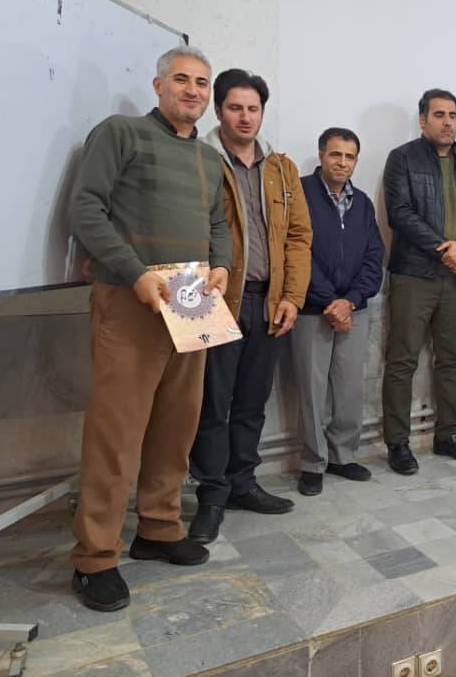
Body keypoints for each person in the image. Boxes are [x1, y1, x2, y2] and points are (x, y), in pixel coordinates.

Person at [67, 45, 230, 612]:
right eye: (181, 79)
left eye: (201, 83)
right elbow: (86, 209)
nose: (192, 90)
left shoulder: (209, 159)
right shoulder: (121, 133)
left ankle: (159, 528)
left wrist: (221, 266)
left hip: (192, 300)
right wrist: (135, 273)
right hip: (130, 299)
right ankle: (94, 558)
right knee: (115, 435)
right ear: (158, 86)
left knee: (176, 426)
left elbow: (218, 225)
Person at [187, 69, 312, 544]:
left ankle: (242, 482)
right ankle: (212, 495)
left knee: (251, 402)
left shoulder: (280, 167)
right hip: (214, 299)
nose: (245, 117)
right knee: (212, 404)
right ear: (218, 110)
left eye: (253, 108)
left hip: (267, 301)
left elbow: (299, 236)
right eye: (235, 107)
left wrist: (292, 296)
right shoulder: (199, 159)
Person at [380, 89, 456, 474]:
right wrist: (444, 248)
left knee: (452, 358)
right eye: (440, 114)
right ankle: (397, 442)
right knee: (402, 360)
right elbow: (400, 213)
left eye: (453, 115)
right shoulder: (402, 158)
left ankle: (448, 434)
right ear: (423, 120)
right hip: (415, 273)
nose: (448, 122)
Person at [291, 127, 383, 495]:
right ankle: (313, 463)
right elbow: (298, 251)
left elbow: (374, 256)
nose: (342, 163)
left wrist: (351, 300)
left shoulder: (363, 203)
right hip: (311, 309)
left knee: (348, 388)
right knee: (311, 391)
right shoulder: (300, 192)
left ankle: (343, 456)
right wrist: (330, 299)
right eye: (335, 154)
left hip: (353, 309)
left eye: (349, 157)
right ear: (321, 156)